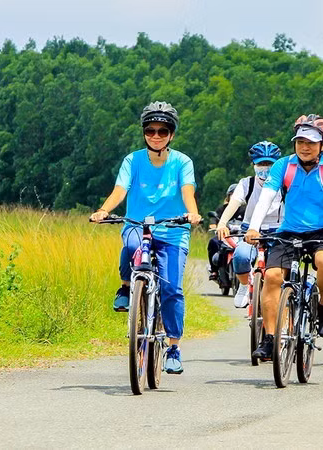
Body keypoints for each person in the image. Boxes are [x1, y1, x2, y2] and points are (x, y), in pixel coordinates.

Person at [90, 101, 202, 374]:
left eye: (162, 131)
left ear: (171, 134)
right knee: (130, 245)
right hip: (137, 225)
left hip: (173, 229)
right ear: (144, 132)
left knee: (172, 289)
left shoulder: (182, 162)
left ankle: (173, 347)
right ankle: (127, 286)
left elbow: (188, 191)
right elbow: (120, 189)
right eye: (150, 130)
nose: (156, 135)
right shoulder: (133, 160)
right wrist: (105, 210)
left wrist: (193, 213)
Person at [245, 115, 323, 361]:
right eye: (300, 141)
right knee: (272, 276)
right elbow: (267, 197)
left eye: (311, 142)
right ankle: (270, 339)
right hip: (289, 229)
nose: (305, 147)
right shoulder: (283, 166)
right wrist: (254, 227)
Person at [215, 141, 284, 308]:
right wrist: (222, 223)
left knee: (281, 269)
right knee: (241, 256)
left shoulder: (285, 183)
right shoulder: (247, 183)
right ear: (253, 164)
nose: (265, 168)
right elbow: (234, 203)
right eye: (261, 164)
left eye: (269, 164)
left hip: (279, 231)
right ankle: (244, 286)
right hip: (250, 231)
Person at [207, 184, 245, 280]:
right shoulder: (222, 209)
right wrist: (214, 226)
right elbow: (214, 220)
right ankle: (214, 269)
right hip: (224, 236)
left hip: (239, 236)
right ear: (228, 196)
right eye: (232, 194)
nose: (234, 196)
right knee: (213, 242)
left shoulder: (245, 210)